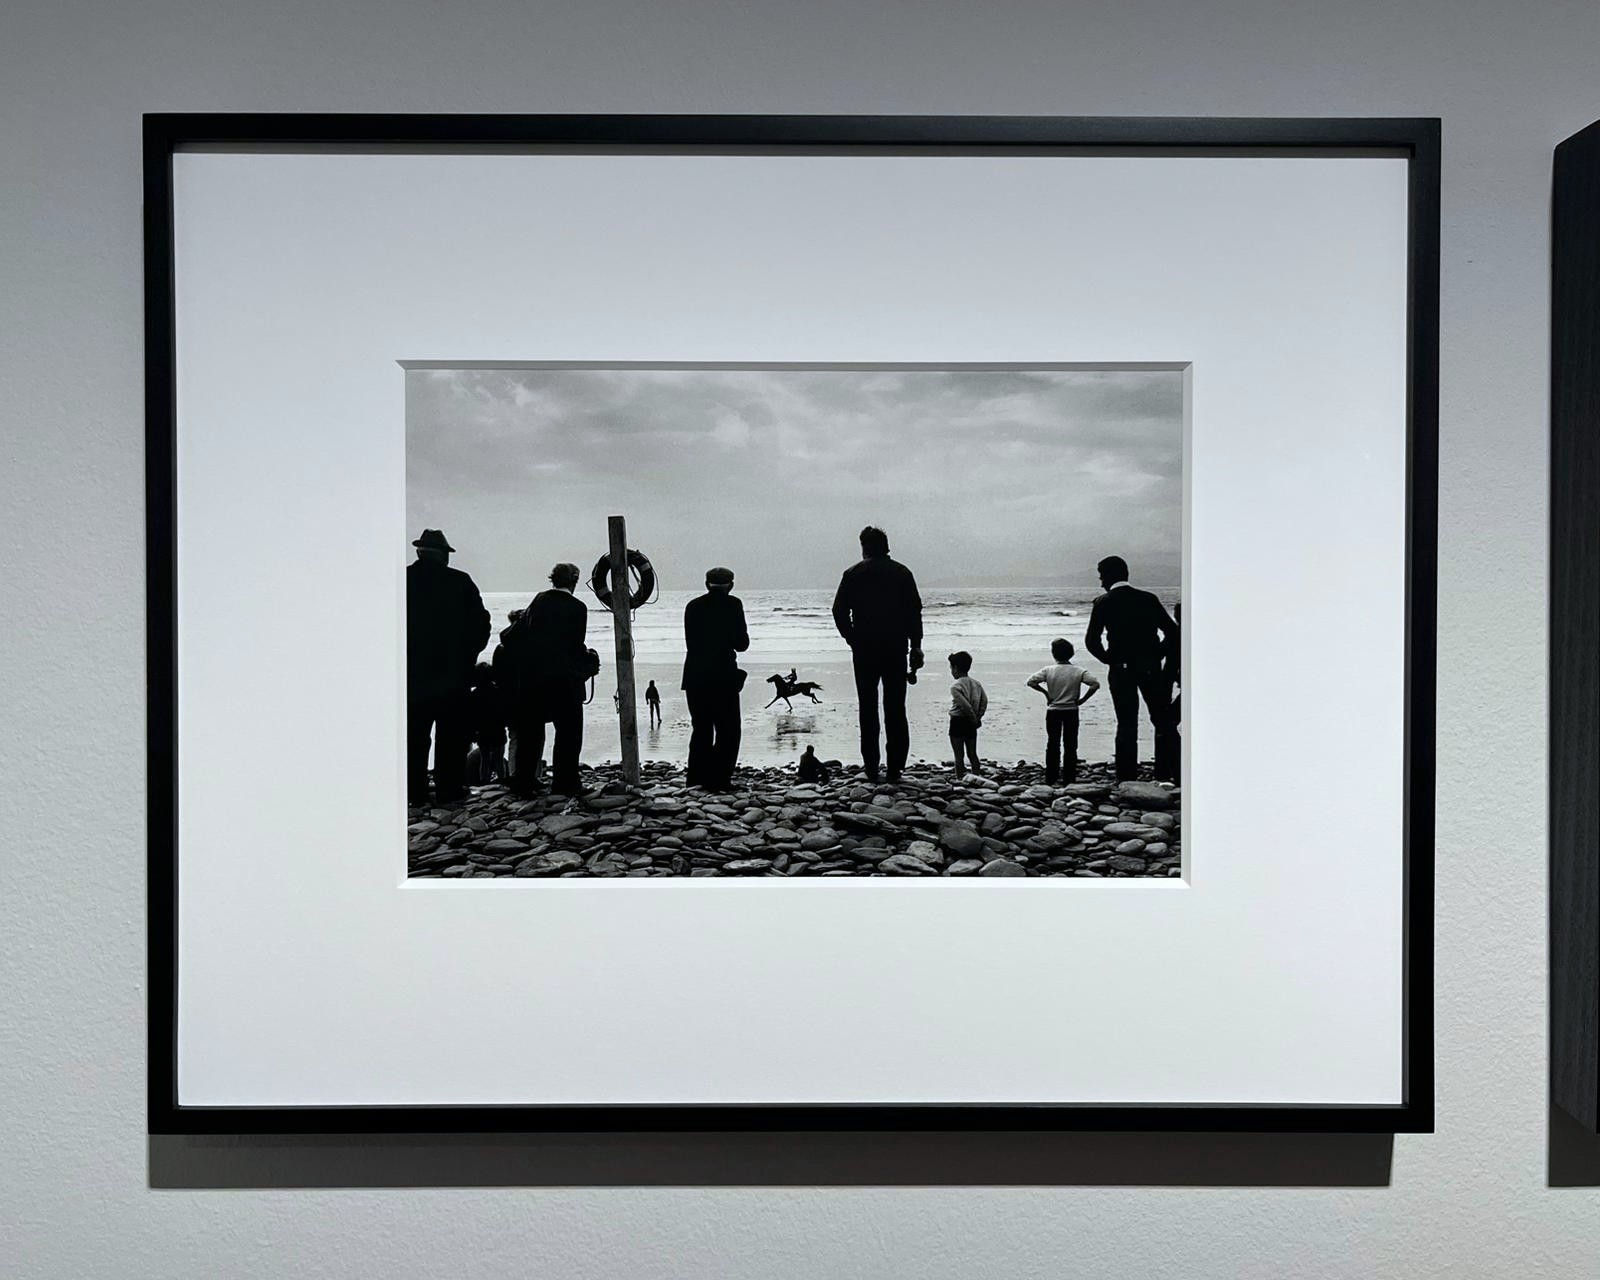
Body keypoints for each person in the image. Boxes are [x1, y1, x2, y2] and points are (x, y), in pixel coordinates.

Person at [831, 526, 923, 783]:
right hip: (895, 648)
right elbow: (914, 612)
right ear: (886, 545)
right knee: (895, 708)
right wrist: (916, 645)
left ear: (864, 547)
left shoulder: (852, 574)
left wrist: (852, 638)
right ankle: (895, 768)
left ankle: (871, 767)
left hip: (864, 650)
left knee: (867, 708)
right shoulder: (902, 573)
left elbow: (838, 611)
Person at [406, 529, 490, 806]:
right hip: (453, 676)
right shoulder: (460, 582)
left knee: (414, 739)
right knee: (451, 739)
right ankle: (449, 790)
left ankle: (414, 793)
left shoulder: (401, 581)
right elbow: (481, 625)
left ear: (419, 552)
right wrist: (467, 656)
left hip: (412, 677)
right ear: (444, 555)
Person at [1083, 555, 1180, 782]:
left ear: (1108, 576)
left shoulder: (1103, 602)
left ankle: (1126, 777)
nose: (1100, 582)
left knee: (1126, 723)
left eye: (1101, 576)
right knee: (1161, 720)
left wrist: (1108, 659)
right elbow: (1172, 632)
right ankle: (1168, 772)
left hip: (1121, 669)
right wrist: (1158, 653)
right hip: (1150, 667)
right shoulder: (1148, 599)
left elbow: (1092, 641)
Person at [502, 563, 589, 797]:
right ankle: (565, 782)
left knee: (531, 733)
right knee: (569, 733)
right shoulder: (577, 607)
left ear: (553, 579)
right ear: (574, 580)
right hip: (564, 681)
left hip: (533, 680)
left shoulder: (539, 601)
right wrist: (587, 662)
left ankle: (524, 780)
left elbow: (514, 635)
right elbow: (575, 646)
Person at [681, 566, 749, 790]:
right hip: (723, 674)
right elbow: (742, 643)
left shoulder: (692, 606)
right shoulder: (733, 604)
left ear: (706, 583)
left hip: (695, 674)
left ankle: (696, 778)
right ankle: (719, 779)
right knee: (728, 730)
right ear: (731, 584)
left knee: (701, 729)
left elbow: (691, 642)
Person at [1026, 638, 1101, 785]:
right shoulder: (1079, 671)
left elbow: (1031, 682)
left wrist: (1046, 693)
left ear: (1054, 654)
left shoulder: (1048, 670)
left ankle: (1051, 777)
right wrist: (1083, 700)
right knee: (1071, 744)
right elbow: (1094, 684)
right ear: (1071, 654)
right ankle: (1069, 778)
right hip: (1071, 710)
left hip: (1053, 710)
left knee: (1053, 743)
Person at [492, 608, 525, 778]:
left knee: (515, 738)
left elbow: (496, 675)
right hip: (524, 697)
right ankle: (530, 774)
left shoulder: (501, 647)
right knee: (532, 737)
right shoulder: (527, 646)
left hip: (507, 698)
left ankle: (514, 773)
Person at [947, 650, 987, 778]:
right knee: (972, 753)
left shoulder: (955, 686)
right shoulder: (976, 683)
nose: (951, 671)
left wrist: (973, 718)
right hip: (971, 723)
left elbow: (964, 705)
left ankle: (959, 778)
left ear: (956, 668)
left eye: (951, 668)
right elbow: (984, 701)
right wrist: (978, 717)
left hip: (958, 721)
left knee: (959, 755)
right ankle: (976, 775)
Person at [466, 661, 508, 784]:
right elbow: (503, 711)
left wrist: (473, 732)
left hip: (483, 731)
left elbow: (472, 716)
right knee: (499, 758)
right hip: (498, 729)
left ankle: (484, 781)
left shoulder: (474, 694)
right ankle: (502, 780)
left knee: (484, 759)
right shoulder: (498, 691)